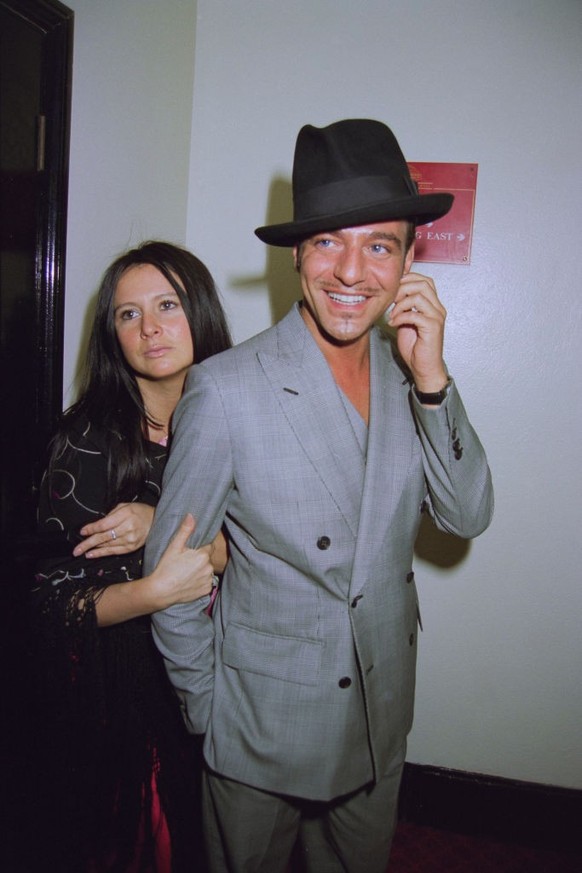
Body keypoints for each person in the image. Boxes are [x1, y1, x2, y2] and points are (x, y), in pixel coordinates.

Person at [144, 120, 494, 873]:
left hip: (377, 718)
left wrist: (434, 381)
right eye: (330, 241)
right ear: (298, 252)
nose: (351, 270)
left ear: (409, 258)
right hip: (257, 736)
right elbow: (169, 573)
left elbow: (466, 515)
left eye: (380, 245)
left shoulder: (411, 377)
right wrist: (210, 714)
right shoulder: (225, 388)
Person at [32, 241, 232, 873]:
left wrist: (158, 526)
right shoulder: (87, 440)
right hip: (129, 688)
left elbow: (281, 549)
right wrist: (154, 591)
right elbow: (50, 604)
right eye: (127, 314)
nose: (149, 328)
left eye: (167, 305)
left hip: (240, 662)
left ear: (198, 310)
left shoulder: (248, 418)